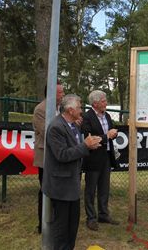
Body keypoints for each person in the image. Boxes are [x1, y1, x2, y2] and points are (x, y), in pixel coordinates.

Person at [42, 94, 102, 250]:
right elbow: (62, 155)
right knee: (61, 230)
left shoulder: (73, 125)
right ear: (70, 110)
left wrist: (88, 146)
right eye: (79, 107)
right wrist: (85, 146)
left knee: (72, 226)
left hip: (72, 185)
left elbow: (75, 149)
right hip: (61, 187)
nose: (81, 110)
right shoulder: (56, 127)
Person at [82, 90, 119, 231]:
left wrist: (113, 134)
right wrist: (107, 136)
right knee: (90, 189)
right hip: (93, 158)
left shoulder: (107, 115)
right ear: (95, 103)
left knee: (104, 188)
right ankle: (91, 218)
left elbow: (110, 134)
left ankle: (103, 214)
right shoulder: (86, 117)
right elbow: (89, 138)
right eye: (103, 101)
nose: (106, 103)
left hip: (106, 157)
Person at [32, 82, 64, 234]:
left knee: (58, 190)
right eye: (60, 93)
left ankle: (55, 221)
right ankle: (42, 224)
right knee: (45, 189)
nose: (63, 95)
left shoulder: (61, 109)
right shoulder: (40, 109)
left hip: (60, 155)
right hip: (45, 156)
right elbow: (48, 132)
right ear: (51, 93)